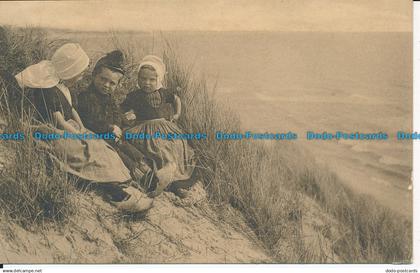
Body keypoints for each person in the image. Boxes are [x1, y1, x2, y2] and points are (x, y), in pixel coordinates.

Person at [14, 43, 153, 213]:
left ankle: (121, 182)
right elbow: (58, 120)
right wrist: (77, 134)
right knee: (85, 149)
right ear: (68, 70)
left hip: (71, 128)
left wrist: (80, 127)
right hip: (54, 131)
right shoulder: (47, 91)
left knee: (101, 145)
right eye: (78, 74)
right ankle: (114, 192)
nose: (80, 78)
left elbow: (71, 110)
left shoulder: (63, 87)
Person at [121, 55, 196, 197]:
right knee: (157, 147)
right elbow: (123, 110)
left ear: (159, 79)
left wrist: (177, 114)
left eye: (151, 80)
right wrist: (128, 115)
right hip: (144, 128)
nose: (147, 83)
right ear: (138, 78)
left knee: (177, 144)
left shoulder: (164, 92)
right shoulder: (134, 95)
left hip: (164, 126)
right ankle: (161, 176)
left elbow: (176, 99)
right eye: (143, 79)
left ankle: (176, 179)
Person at [77, 50, 153, 184]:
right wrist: (110, 128)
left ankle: (146, 169)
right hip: (97, 136)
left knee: (128, 146)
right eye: (103, 79)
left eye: (112, 83)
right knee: (118, 153)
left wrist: (117, 125)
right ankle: (138, 176)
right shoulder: (86, 97)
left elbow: (117, 113)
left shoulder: (109, 98)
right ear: (94, 76)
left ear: (117, 85)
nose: (106, 85)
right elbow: (90, 120)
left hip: (111, 135)